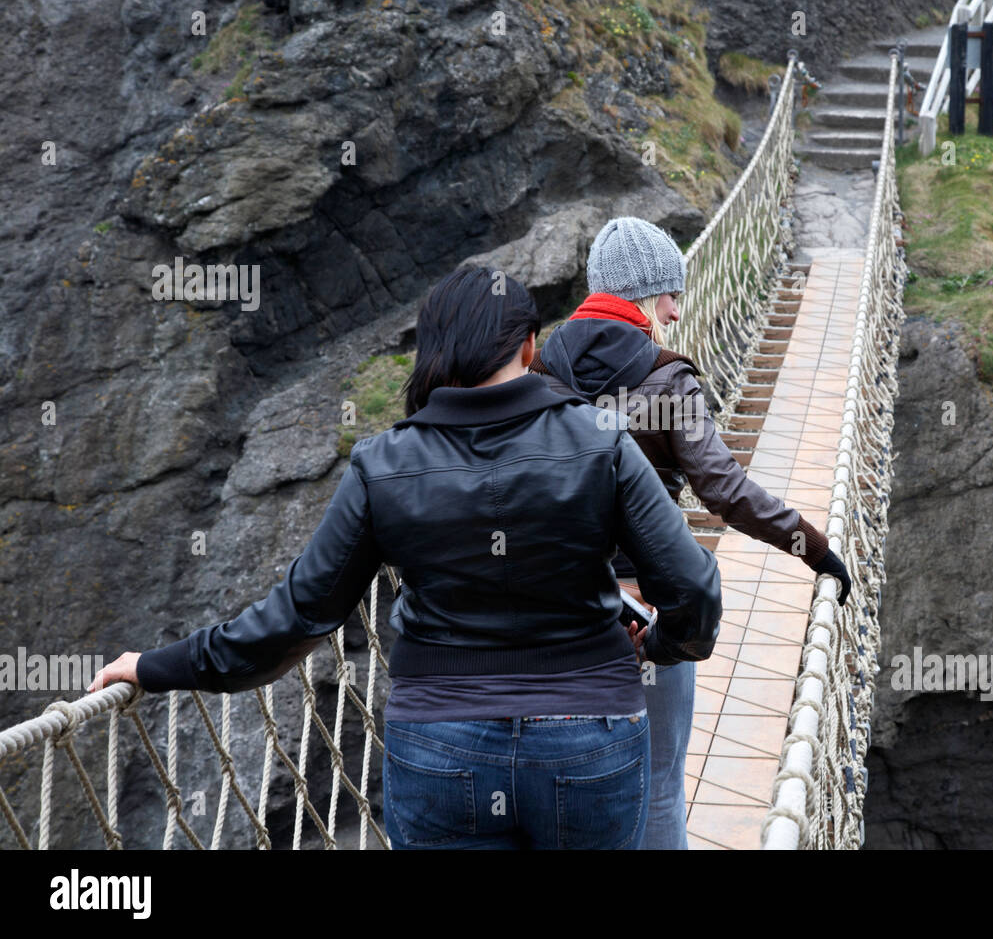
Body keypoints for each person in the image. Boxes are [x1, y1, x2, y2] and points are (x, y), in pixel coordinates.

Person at [90, 266, 723, 850]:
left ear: (435, 351)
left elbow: (300, 615)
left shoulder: (382, 463)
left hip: (441, 744)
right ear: (531, 346)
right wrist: (663, 646)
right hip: (589, 736)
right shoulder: (602, 442)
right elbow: (692, 586)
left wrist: (156, 665)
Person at [531, 216, 852, 850]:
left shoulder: (538, 370)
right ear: (645, 297)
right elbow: (725, 489)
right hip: (643, 612)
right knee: (657, 783)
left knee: (566, 787)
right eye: (670, 295)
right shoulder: (667, 378)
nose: (676, 313)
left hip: (554, 612)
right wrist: (815, 549)